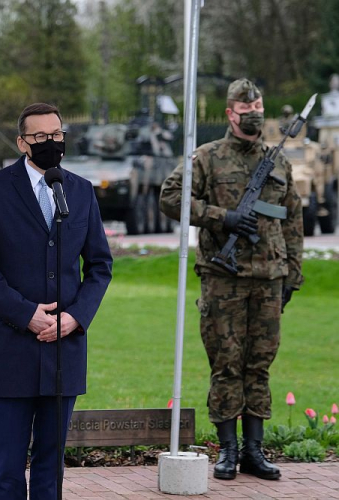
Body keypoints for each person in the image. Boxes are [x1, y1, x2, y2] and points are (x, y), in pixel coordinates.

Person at [0, 103, 113, 499]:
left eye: (57, 135)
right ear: (21, 142)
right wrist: (25, 314)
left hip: (65, 349)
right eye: (41, 137)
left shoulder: (79, 191)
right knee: (9, 467)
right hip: (11, 346)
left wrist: (77, 317)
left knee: (51, 468)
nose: (52, 142)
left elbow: (100, 265)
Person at [159, 79, 304, 481]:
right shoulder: (207, 157)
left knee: (259, 365)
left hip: (269, 279)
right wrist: (222, 217)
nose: (253, 112)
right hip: (224, 279)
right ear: (230, 113)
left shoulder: (278, 161)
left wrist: (293, 271)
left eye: (258, 104)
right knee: (226, 365)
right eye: (245, 108)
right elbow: (170, 199)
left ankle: (254, 451)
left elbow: (292, 219)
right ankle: (227, 450)